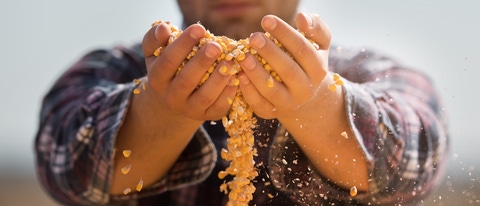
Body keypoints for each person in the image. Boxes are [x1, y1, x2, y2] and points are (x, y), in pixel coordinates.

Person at [34, 0, 449, 205]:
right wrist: (161, 109)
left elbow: (414, 159)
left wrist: (317, 105)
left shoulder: (368, 70)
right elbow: (67, 166)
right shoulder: (115, 69)